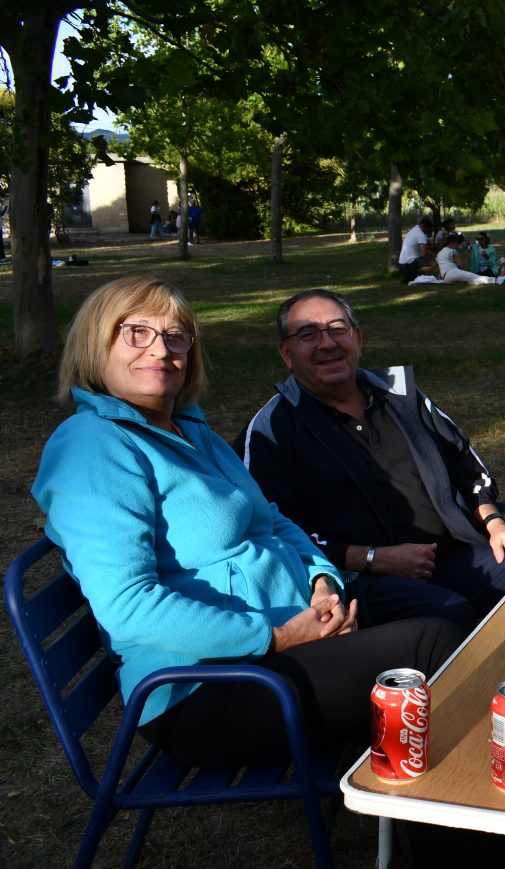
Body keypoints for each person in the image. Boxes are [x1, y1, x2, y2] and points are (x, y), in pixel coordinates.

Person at [31, 276, 463, 769]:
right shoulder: (93, 447)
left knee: (451, 611)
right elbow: (129, 606)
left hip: (292, 625)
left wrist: (324, 583)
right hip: (206, 689)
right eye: (136, 332)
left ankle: (432, 805)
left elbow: (274, 522)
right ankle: (456, 825)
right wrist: (277, 636)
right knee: (432, 646)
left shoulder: (189, 428)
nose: (161, 349)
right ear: (95, 344)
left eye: (176, 336)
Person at [240, 289, 505, 632]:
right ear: (287, 353)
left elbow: (466, 466)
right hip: (357, 580)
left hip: (452, 552)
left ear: (358, 337)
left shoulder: (401, 396)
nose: (327, 344)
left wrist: (495, 523)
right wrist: (373, 558)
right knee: (447, 616)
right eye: (307, 334)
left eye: (338, 329)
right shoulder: (273, 429)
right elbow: (273, 529)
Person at [436, 234, 505, 285]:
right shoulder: (452, 251)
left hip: (446, 278)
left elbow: (441, 269)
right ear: (452, 243)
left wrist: (440, 277)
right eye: (457, 243)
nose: (457, 245)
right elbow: (461, 264)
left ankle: (482, 282)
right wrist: (464, 262)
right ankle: (497, 280)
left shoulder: (440, 253)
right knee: (474, 276)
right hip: (452, 273)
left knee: (470, 280)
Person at [398, 216, 436, 281]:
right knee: (434, 264)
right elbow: (424, 254)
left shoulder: (414, 229)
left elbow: (423, 246)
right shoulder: (421, 235)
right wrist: (433, 257)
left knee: (427, 256)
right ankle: (415, 273)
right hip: (410, 263)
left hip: (402, 263)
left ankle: (416, 273)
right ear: (427, 228)